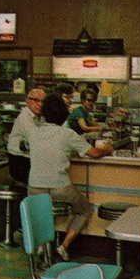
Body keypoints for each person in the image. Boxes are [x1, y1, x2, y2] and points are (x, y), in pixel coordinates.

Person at [27, 94, 113, 260]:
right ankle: (63, 246)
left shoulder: (32, 132)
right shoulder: (67, 134)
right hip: (60, 188)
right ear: (63, 114)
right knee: (85, 209)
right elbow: (94, 153)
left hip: (34, 187)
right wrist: (107, 150)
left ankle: (40, 247)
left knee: (40, 212)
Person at [6, 87, 45, 185]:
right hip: (20, 163)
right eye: (36, 100)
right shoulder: (25, 117)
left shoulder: (40, 117)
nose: (40, 104)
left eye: (43, 101)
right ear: (27, 101)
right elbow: (35, 139)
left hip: (30, 159)